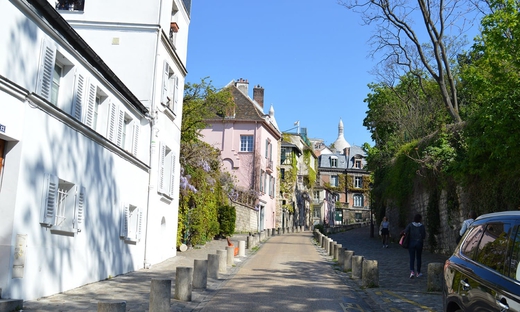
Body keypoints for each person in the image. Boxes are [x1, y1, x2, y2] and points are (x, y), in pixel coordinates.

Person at [404, 214, 426, 279]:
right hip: (419, 243)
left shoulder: (410, 225)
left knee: (412, 258)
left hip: (411, 243)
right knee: (419, 258)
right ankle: (418, 272)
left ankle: (412, 272)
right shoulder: (422, 226)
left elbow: (405, 232)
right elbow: (424, 236)